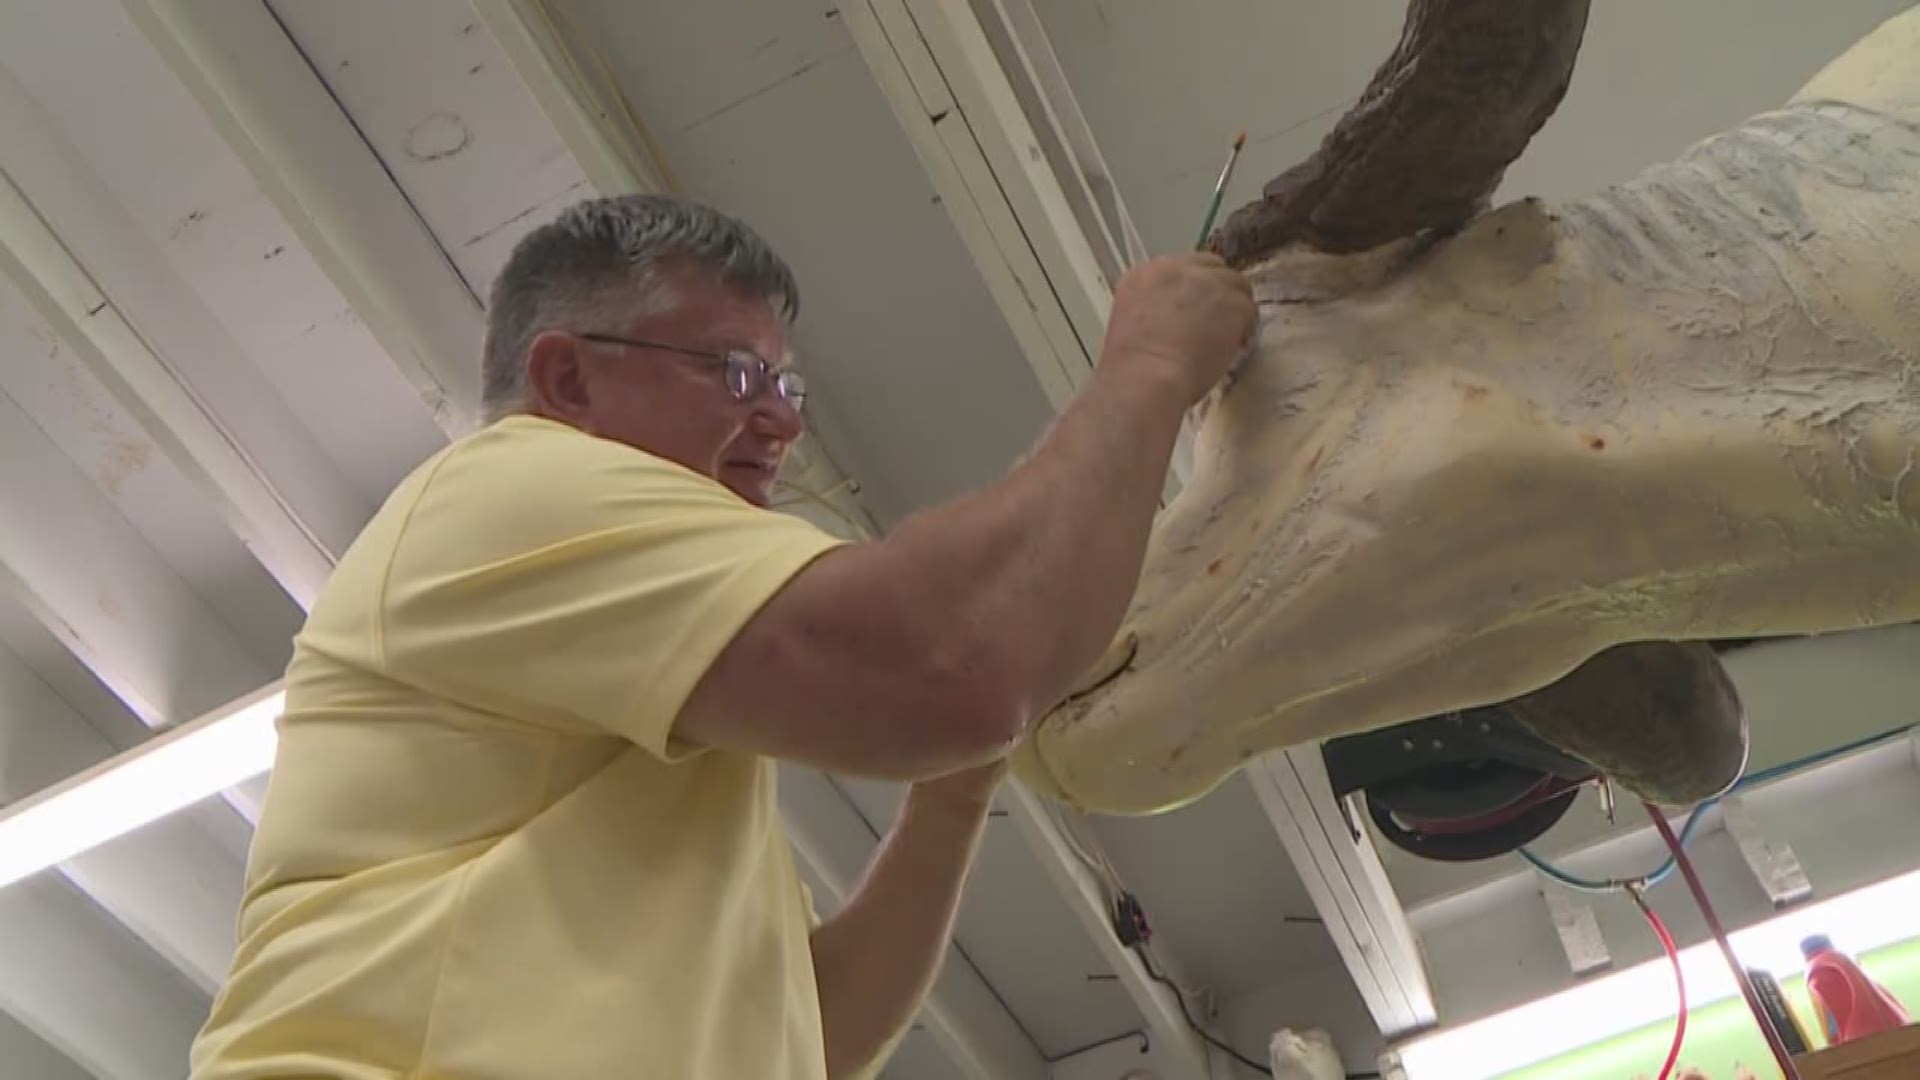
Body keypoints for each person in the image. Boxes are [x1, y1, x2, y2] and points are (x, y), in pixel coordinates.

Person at [189, 194, 1254, 1079]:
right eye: (736, 374)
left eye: (785, 386)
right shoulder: (508, 488)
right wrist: (1151, 366)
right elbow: (952, 663)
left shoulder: (661, 756)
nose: (784, 423)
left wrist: (961, 779)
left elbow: (818, 1031)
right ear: (567, 380)